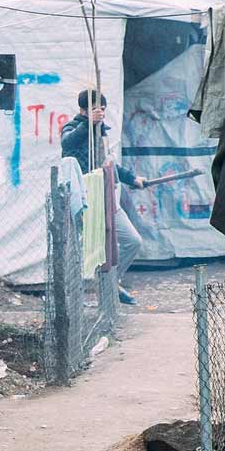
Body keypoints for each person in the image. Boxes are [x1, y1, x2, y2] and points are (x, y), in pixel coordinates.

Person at [60, 88, 144, 306]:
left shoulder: (102, 132)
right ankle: (76, 299)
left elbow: (108, 164)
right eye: (96, 109)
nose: (101, 113)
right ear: (82, 110)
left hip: (107, 199)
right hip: (87, 202)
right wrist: (88, 124)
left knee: (132, 241)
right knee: (86, 250)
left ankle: (110, 283)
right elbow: (67, 144)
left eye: (103, 110)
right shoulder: (73, 128)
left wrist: (132, 178)